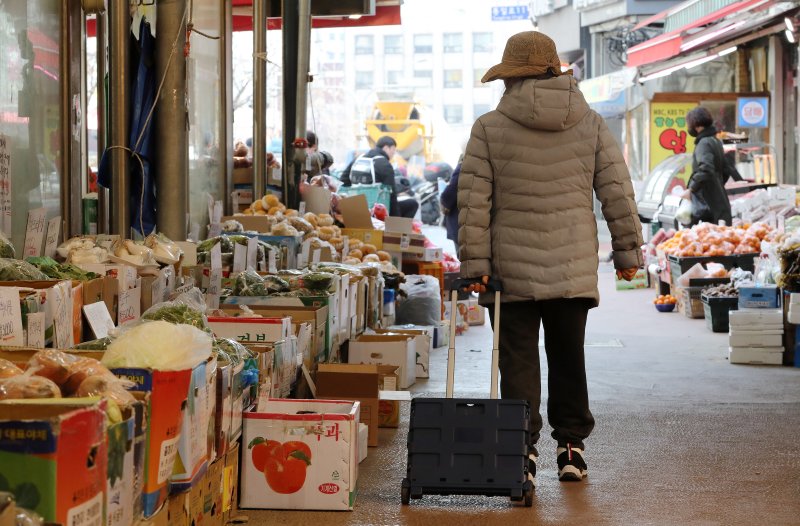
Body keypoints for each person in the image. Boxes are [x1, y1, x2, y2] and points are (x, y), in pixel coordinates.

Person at [458, 31, 643, 486]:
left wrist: (475, 267)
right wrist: (627, 251)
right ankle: (572, 449)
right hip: (572, 266)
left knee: (517, 362)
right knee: (568, 356)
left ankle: (523, 451)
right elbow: (616, 192)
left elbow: (473, 204)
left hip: (510, 270)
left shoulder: (488, 127)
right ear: (554, 70)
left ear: (510, 78)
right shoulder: (591, 123)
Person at [681, 107, 733, 225]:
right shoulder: (715, 141)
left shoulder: (704, 143)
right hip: (720, 204)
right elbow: (727, 169)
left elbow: (706, 168)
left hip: (708, 208)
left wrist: (692, 189)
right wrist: (717, 185)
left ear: (697, 126)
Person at [341, 136, 409, 217]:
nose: (393, 155)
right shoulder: (384, 164)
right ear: (386, 148)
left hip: (356, 207)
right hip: (378, 210)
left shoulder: (358, 159)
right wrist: (396, 219)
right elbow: (391, 194)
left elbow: (343, 180)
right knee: (412, 204)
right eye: (393, 151)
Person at [440, 156, 462, 254]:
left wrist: (444, 203)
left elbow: (451, 190)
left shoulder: (463, 167)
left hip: (462, 221)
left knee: (464, 256)